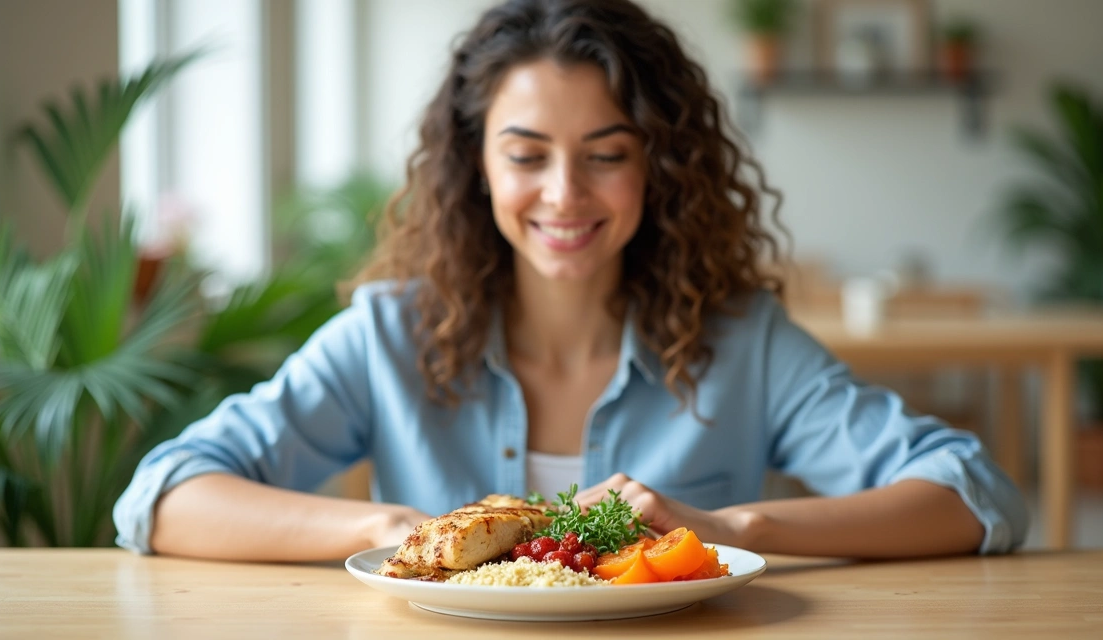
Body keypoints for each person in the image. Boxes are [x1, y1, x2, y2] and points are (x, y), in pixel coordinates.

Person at [114, 0, 1027, 562]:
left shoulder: (740, 343)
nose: (564, 194)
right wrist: (389, 532)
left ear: (658, 169)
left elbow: (974, 493)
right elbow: (163, 494)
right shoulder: (388, 336)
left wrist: (734, 530)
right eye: (527, 155)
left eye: (607, 154)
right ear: (475, 165)